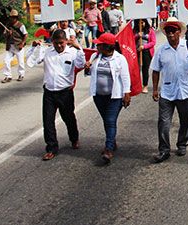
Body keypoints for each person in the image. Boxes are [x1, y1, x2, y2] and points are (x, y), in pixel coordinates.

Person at [151, 17, 188, 163]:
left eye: (173, 31)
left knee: (185, 119)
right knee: (163, 122)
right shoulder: (161, 50)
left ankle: (182, 144)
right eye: (168, 31)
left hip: (185, 90)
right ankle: (164, 150)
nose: (170, 34)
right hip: (167, 91)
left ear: (179, 32)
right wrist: (155, 89)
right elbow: (155, 70)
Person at [30, 29, 86, 161]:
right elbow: (32, 62)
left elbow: (81, 64)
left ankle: (74, 138)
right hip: (49, 92)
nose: (59, 46)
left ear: (66, 41)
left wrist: (79, 49)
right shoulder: (47, 52)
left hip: (65, 92)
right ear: (52, 42)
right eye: (56, 43)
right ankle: (51, 148)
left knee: (69, 118)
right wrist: (33, 48)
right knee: (48, 121)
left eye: (61, 43)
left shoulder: (72, 52)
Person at [85, 32, 131, 163]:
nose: (96, 46)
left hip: (114, 97)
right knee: (106, 120)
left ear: (106, 47)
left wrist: (126, 94)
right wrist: (87, 68)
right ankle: (112, 141)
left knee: (110, 120)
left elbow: (125, 77)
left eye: (99, 44)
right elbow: (90, 74)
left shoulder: (119, 58)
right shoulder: (95, 56)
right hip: (98, 96)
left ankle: (108, 149)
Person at [2, 9, 28, 83]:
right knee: (6, 61)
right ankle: (8, 76)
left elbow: (26, 34)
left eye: (14, 17)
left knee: (21, 62)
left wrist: (22, 43)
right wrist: (8, 33)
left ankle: (21, 74)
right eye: (11, 17)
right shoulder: (8, 25)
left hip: (18, 45)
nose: (12, 19)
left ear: (16, 18)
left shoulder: (21, 25)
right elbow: (4, 35)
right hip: (10, 46)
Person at [135, 19, 156, 93]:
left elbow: (153, 42)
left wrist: (144, 47)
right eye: (139, 23)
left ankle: (145, 85)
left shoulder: (150, 30)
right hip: (136, 52)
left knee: (145, 69)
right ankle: (136, 85)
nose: (140, 24)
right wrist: (137, 36)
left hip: (146, 52)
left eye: (142, 22)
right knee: (136, 69)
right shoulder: (135, 30)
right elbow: (131, 39)